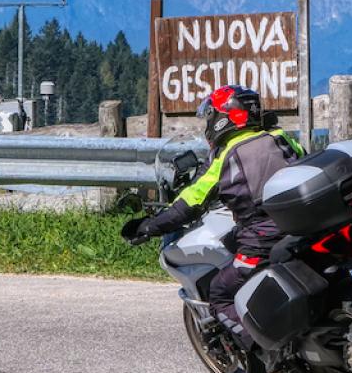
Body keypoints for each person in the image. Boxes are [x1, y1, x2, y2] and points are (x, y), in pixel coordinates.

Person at [125, 85, 304, 347]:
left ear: (222, 118)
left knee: (220, 293)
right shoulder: (280, 137)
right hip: (303, 225)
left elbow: (187, 205)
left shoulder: (226, 155)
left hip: (264, 239)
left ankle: (271, 350)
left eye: (210, 116)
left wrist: (148, 226)